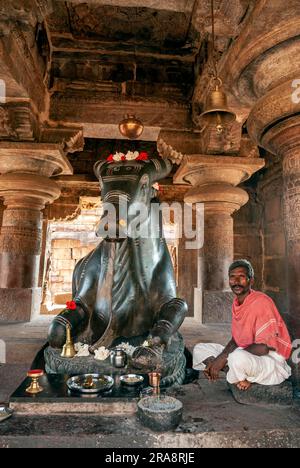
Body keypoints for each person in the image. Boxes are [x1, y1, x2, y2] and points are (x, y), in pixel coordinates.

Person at [193, 259, 292, 391]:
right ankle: (234, 372)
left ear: (251, 281)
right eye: (232, 277)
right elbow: (236, 340)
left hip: (269, 362)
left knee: (236, 357)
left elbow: (265, 348)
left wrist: (224, 358)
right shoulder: (237, 303)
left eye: (242, 277)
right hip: (246, 354)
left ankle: (238, 373)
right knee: (200, 349)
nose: (236, 281)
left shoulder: (262, 302)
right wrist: (220, 358)